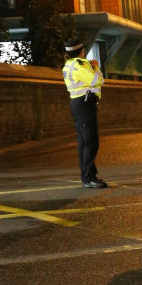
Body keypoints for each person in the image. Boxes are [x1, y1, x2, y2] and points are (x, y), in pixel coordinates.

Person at [62, 38, 107, 188]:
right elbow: (97, 80)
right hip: (84, 105)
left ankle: (89, 175)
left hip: (78, 104)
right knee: (91, 142)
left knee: (84, 142)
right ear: (80, 51)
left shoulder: (69, 64)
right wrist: (96, 67)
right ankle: (88, 177)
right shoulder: (80, 64)